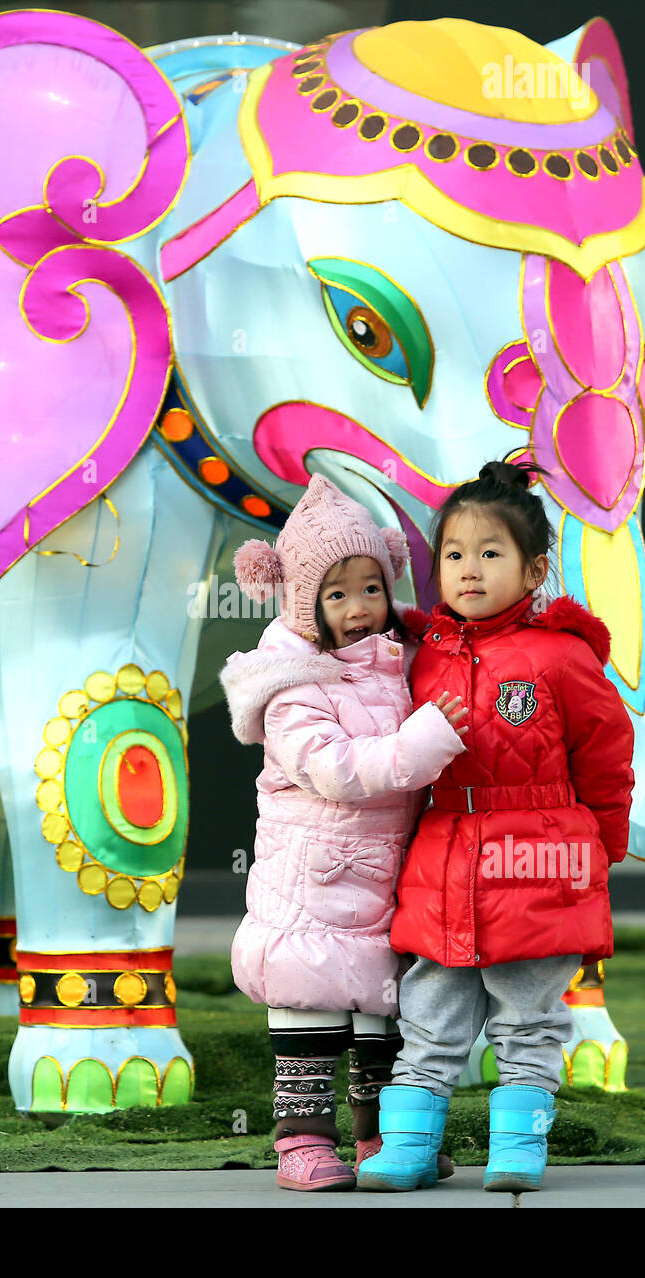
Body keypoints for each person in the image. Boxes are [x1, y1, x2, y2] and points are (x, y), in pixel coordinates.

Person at [357, 460, 635, 1194]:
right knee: (429, 1013)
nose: (468, 570)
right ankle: (410, 1147)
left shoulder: (562, 657)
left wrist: (602, 848)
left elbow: (606, 756)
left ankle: (519, 1146)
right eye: (454, 554)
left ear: (533, 568)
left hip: (537, 867)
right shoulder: (420, 659)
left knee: (528, 1016)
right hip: (445, 861)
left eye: (490, 553)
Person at [219, 473, 468, 1192]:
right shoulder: (291, 683)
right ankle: (300, 1138)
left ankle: (378, 1137)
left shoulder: (398, 663)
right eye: (336, 594)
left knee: (381, 1024)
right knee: (311, 1014)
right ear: (304, 601)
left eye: (370, 588)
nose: (359, 608)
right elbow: (338, 771)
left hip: (386, 882)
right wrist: (426, 740)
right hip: (312, 884)